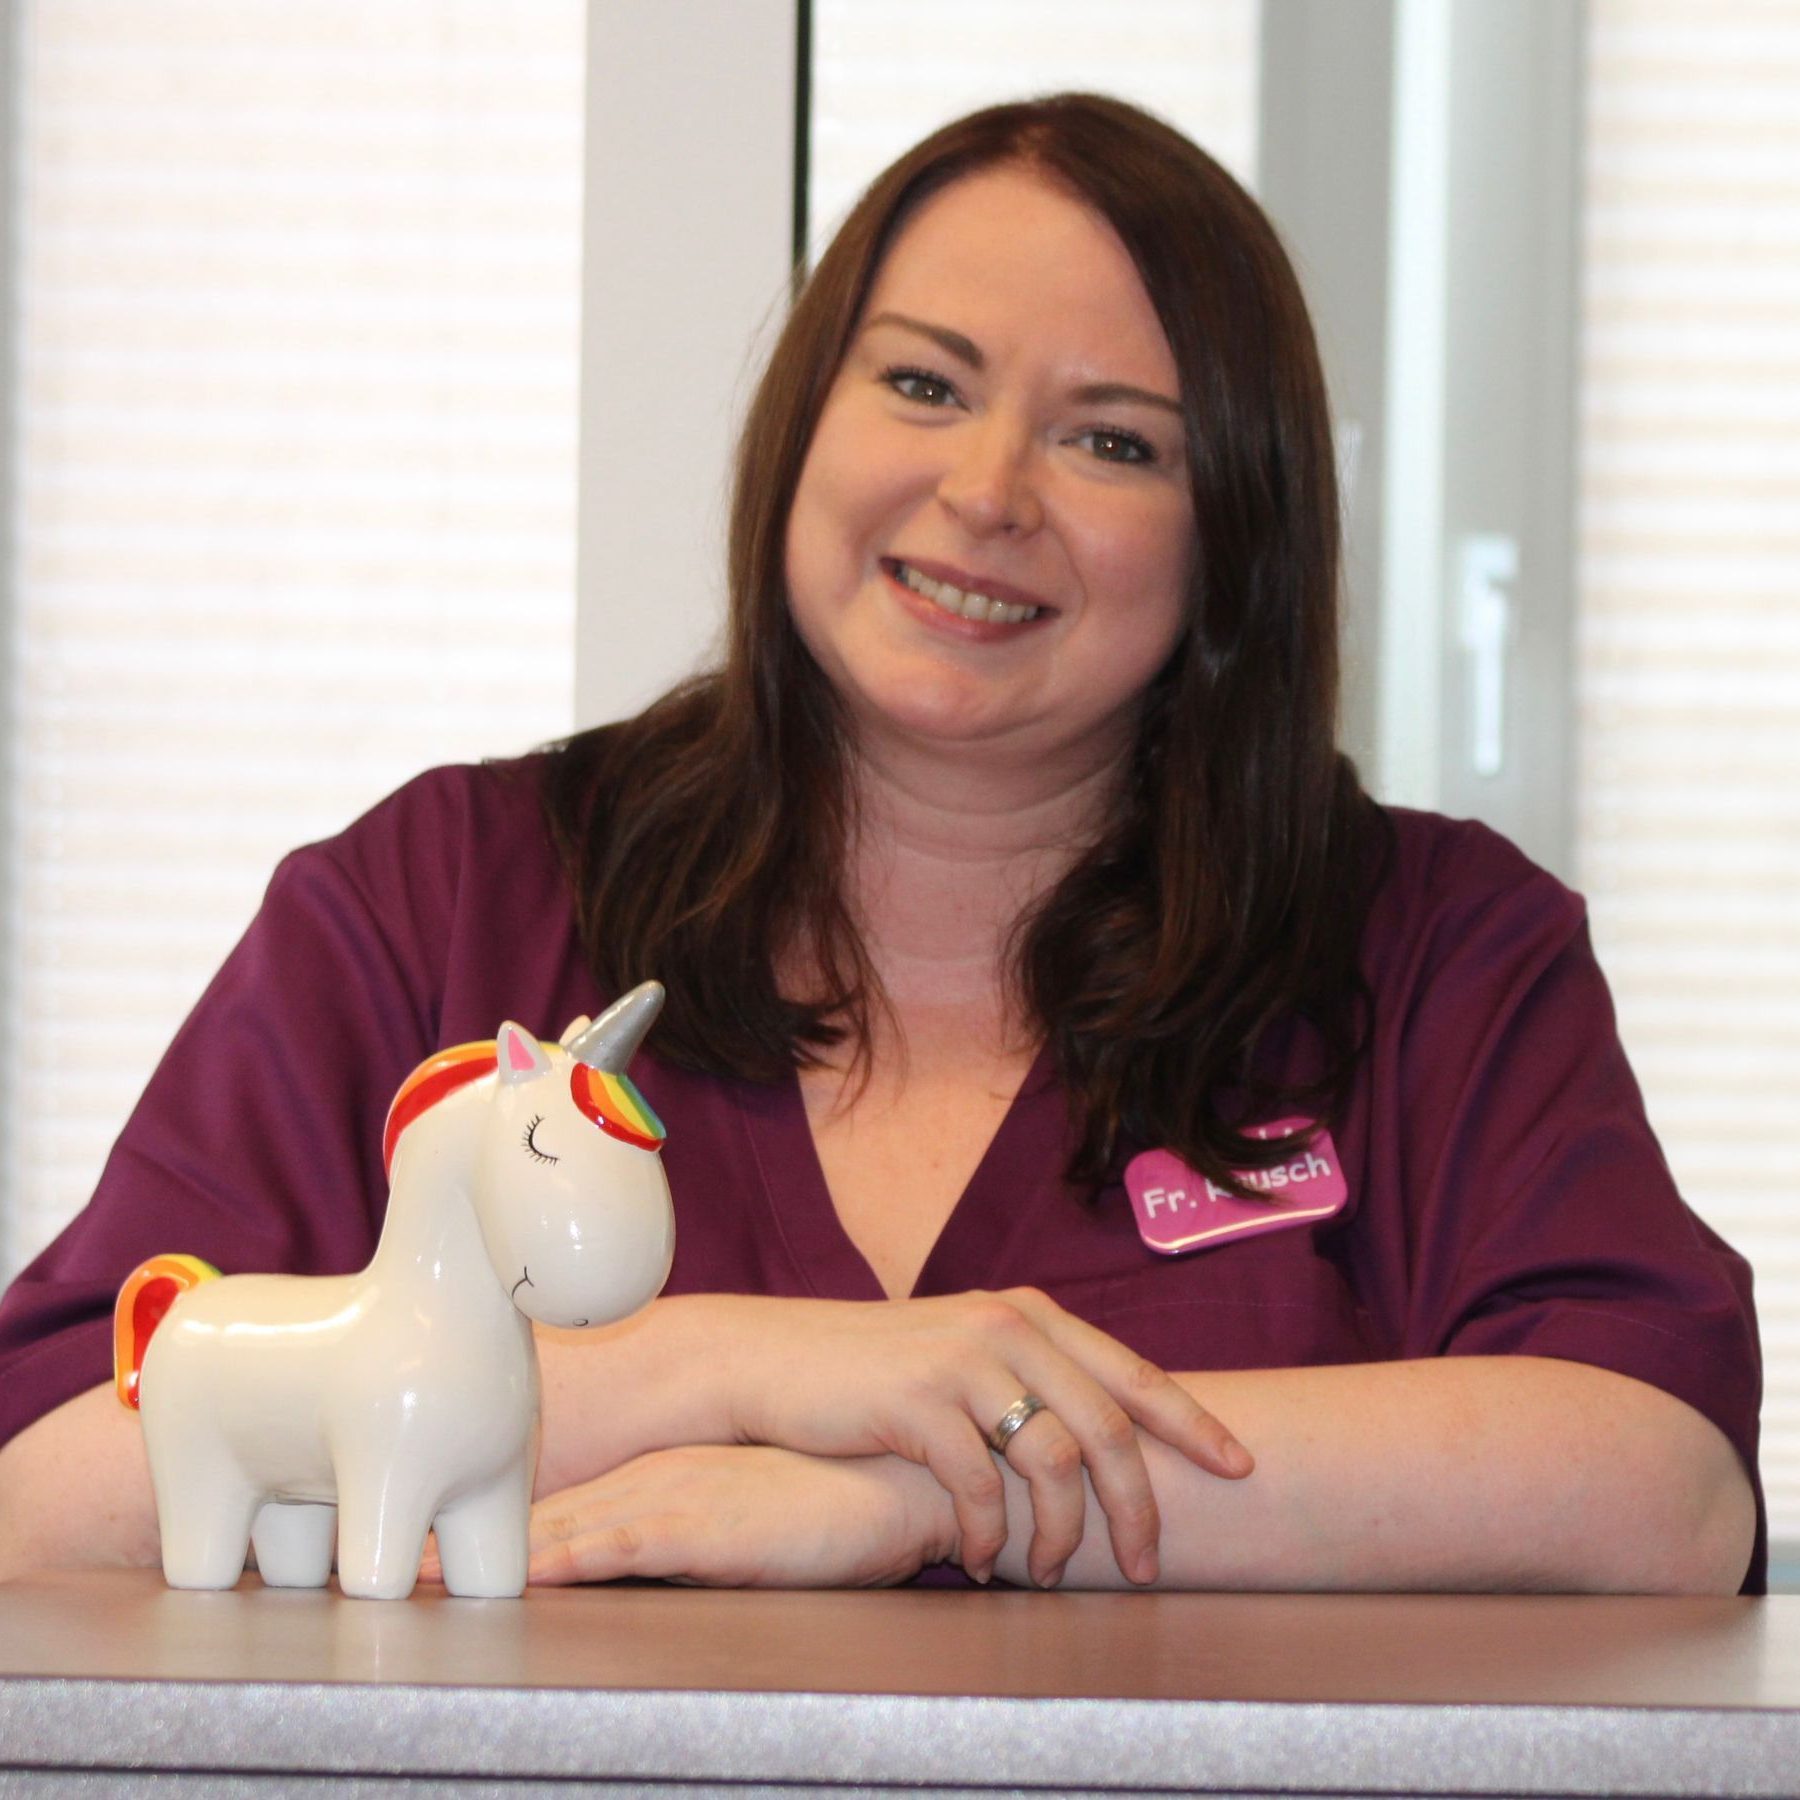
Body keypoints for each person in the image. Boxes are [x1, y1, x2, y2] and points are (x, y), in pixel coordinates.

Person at [0, 94, 1762, 1595]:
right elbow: (43, 1500)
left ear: (1235, 541)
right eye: (924, 384)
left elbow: (1660, 1492)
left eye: (1112, 441)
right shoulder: (440, 899)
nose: (988, 491)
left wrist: (933, 1492)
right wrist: (711, 1371)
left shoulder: (1433, 947)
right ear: (805, 428)